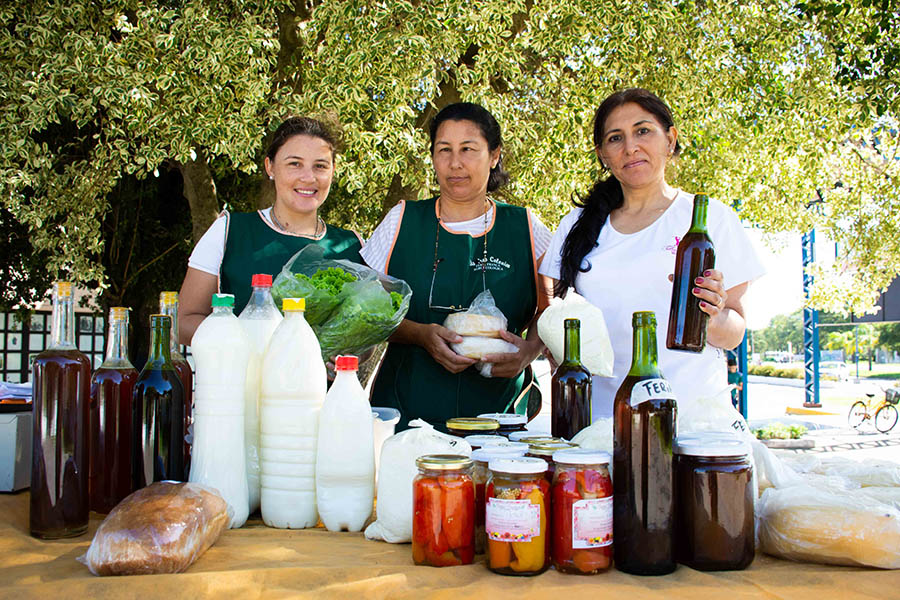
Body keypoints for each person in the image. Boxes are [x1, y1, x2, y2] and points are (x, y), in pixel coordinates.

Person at [540, 88, 765, 419]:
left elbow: (733, 333)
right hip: (600, 423)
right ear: (603, 154)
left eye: (643, 131)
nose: (630, 147)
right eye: (615, 138)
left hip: (691, 419)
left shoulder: (708, 219)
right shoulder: (577, 225)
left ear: (670, 139)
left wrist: (712, 316)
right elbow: (551, 314)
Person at [362, 102, 552, 430]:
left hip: (500, 419)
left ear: (494, 156)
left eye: (468, 149)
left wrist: (528, 351)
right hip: (406, 415)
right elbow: (366, 310)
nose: (455, 163)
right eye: (443, 150)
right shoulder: (402, 220)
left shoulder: (526, 227)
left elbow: (552, 312)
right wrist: (419, 334)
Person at [178, 117, 364, 344]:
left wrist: (339, 352)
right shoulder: (230, 231)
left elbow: (364, 342)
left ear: (333, 171)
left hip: (321, 381)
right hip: (245, 378)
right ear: (270, 167)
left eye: (320, 166)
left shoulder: (352, 246)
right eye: (294, 164)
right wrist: (250, 343)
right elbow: (184, 322)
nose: (308, 177)